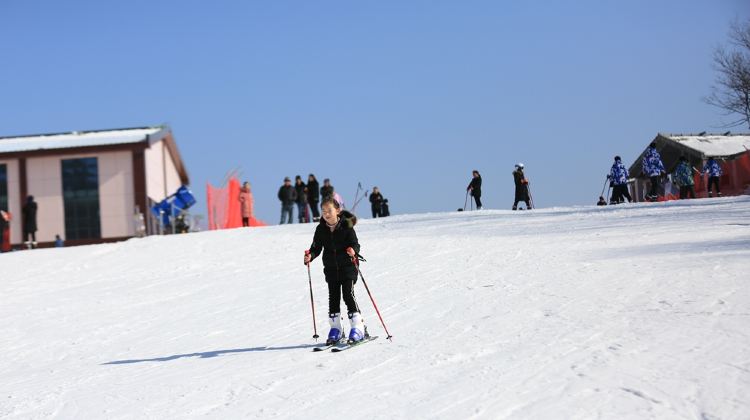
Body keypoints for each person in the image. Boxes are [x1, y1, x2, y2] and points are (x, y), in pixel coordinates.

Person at [304, 198, 368, 345]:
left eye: (329, 211)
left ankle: (358, 326)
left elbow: (355, 243)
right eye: (324, 211)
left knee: (348, 294)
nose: (326, 214)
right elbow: (316, 248)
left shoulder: (346, 226)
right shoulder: (321, 229)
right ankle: (336, 328)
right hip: (331, 269)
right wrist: (310, 256)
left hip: (348, 268)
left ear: (337, 210)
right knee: (333, 298)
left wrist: (353, 250)